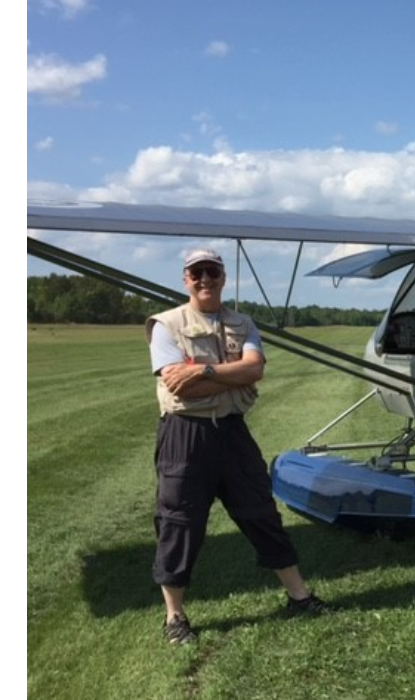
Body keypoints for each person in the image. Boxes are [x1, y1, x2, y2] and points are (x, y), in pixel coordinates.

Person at [146, 248, 333, 645]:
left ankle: (299, 597)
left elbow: (255, 370)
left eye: (212, 272)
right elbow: (174, 382)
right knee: (179, 522)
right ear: (185, 279)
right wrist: (235, 377)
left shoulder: (242, 322)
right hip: (185, 433)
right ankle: (175, 617)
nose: (205, 279)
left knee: (260, 511)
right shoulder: (166, 325)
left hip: (233, 432)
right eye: (196, 273)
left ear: (223, 277)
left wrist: (205, 370)